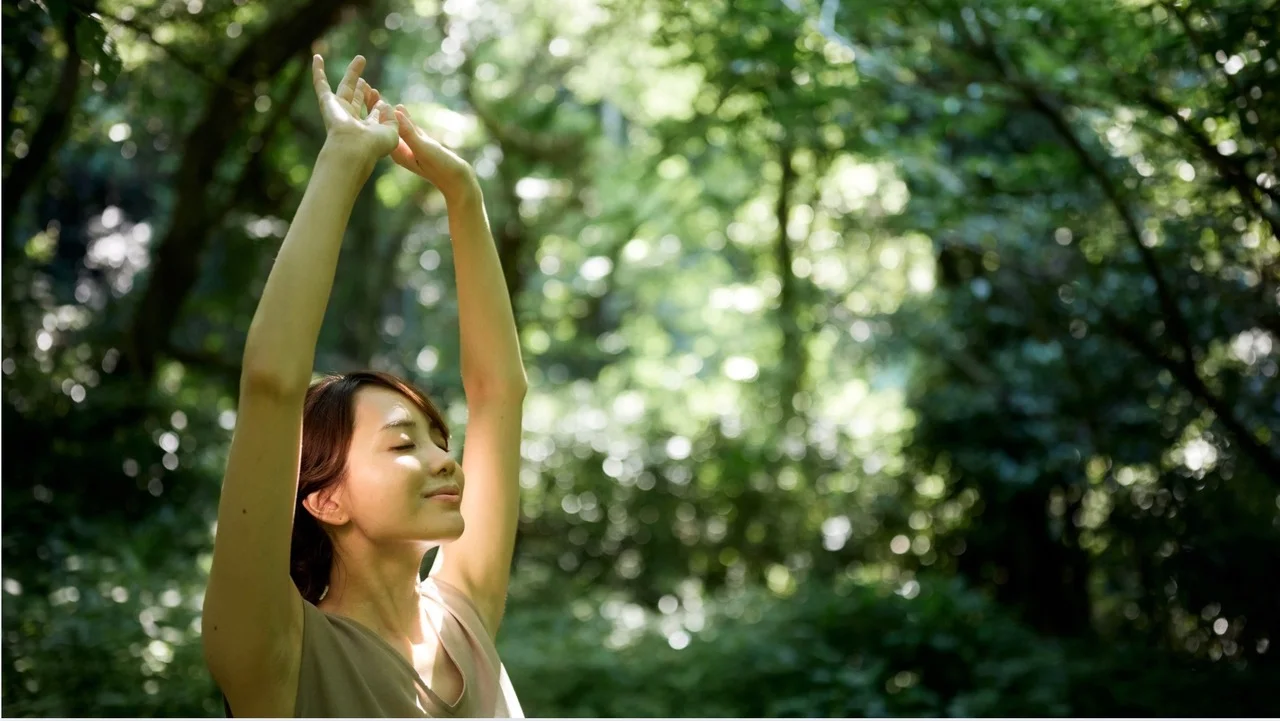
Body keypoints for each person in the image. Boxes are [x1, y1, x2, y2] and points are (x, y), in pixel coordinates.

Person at [201, 54, 527, 718]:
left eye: (437, 439)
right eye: (404, 444)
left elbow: (499, 392)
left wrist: (462, 193)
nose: (446, 458)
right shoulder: (275, 653)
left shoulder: (463, 617)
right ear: (324, 499)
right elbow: (271, 382)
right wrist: (344, 161)